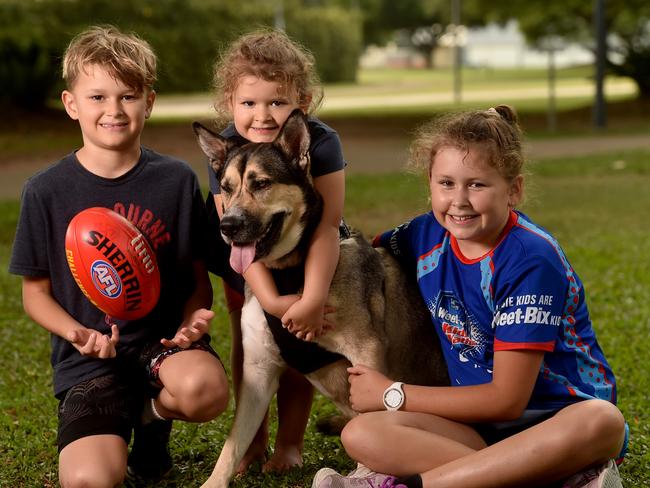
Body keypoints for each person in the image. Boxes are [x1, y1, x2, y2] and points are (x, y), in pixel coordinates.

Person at [312, 105, 628, 488]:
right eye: (446, 183)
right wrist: (311, 298)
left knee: (602, 420)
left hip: (557, 426)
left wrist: (393, 394)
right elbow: (362, 252)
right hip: (477, 431)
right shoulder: (424, 234)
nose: (459, 200)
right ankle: (543, 481)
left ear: (515, 190)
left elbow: (507, 400)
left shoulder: (530, 259)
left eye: (477, 185)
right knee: (361, 433)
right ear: (429, 182)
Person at [8, 25, 229, 487]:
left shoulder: (175, 180)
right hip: (89, 359)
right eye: (97, 97)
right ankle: (116, 435)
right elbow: (35, 295)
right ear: (72, 104)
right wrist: (78, 334)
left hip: (162, 348)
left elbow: (195, 279)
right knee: (90, 481)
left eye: (128, 96)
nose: (113, 110)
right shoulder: (45, 191)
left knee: (204, 391)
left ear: (149, 102)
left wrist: (189, 323)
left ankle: (150, 421)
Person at [206, 28, 346, 472]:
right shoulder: (227, 147)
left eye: (276, 102)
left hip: (307, 247)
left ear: (301, 102)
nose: (262, 114)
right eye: (248, 103)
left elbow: (326, 225)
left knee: (302, 334)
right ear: (230, 104)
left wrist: (311, 299)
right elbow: (227, 218)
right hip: (244, 253)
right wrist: (268, 298)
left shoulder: (319, 141)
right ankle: (250, 442)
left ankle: (289, 444)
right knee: (250, 337)